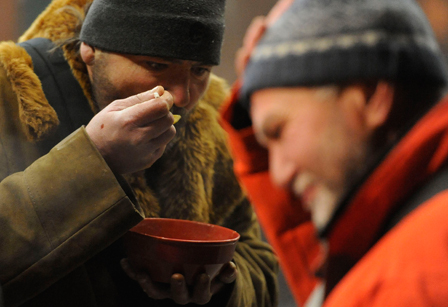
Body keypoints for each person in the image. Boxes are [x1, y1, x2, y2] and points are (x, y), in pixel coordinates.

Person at [0, 0, 279, 306]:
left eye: (200, 70)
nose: (182, 97)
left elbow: (260, 267)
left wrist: (222, 285)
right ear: (90, 48)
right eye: (156, 65)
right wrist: (95, 158)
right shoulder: (9, 93)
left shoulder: (213, 119)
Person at [220, 0, 448, 306]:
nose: (279, 174)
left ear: (368, 96)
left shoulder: (405, 283)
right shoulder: (411, 227)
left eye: (278, 131)